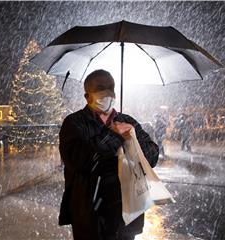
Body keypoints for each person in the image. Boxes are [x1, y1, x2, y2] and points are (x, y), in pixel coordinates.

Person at [59, 70, 159, 240]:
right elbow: (80, 161)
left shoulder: (128, 121)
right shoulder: (74, 123)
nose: (107, 92)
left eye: (111, 87)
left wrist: (132, 141)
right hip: (90, 215)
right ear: (87, 96)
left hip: (126, 213)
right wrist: (113, 135)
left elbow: (153, 155)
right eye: (100, 88)